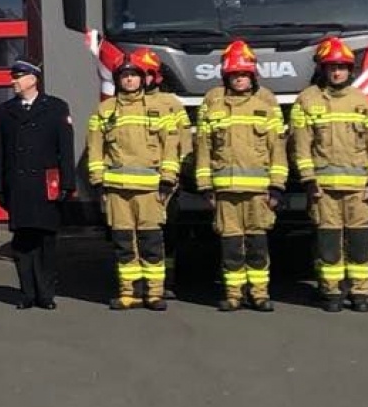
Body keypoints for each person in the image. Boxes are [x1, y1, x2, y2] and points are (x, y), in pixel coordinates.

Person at [292, 36, 368, 313]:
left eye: (341, 67)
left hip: (358, 189)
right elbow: (301, 145)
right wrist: (308, 180)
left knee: (359, 243)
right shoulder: (306, 101)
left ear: (349, 70)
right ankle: (331, 292)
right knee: (328, 242)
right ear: (322, 69)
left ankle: (359, 293)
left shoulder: (362, 101)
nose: (336, 72)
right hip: (324, 188)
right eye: (331, 67)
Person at [196, 41, 286, 312]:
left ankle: (259, 294)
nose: (240, 80)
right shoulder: (213, 105)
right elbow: (203, 148)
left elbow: (277, 149)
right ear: (227, 76)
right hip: (225, 192)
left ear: (252, 77)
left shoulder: (265, 105)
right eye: (235, 75)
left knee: (258, 244)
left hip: (259, 192)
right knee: (231, 246)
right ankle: (233, 294)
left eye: (244, 75)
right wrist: (205, 187)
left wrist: (277, 187)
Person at [87, 54, 180, 311]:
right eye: (125, 76)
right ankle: (129, 293)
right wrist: (98, 182)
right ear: (118, 80)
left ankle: (154, 294)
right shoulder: (105, 111)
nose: (129, 80)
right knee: (124, 244)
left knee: (151, 243)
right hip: (117, 191)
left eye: (134, 75)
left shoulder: (159, 109)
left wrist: (167, 180)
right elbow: (95, 148)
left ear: (142, 78)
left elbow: (171, 147)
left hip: (150, 190)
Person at [0, 60, 76, 310]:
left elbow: (65, 149)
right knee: (23, 242)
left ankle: (46, 294)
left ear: (33, 79)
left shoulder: (56, 108)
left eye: (18, 77)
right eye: (13, 77)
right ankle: (27, 293)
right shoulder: (5, 111)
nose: (13, 81)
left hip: (46, 184)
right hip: (18, 185)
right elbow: (0, 152)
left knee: (46, 241)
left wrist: (67, 183)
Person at [131, 47, 193, 299]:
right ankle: (137, 282)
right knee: (133, 235)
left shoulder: (170, 103)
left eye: (145, 74)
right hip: (133, 183)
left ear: (155, 76)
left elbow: (184, 142)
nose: (140, 79)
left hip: (164, 184)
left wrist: (175, 172)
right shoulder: (124, 103)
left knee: (165, 234)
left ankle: (165, 281)